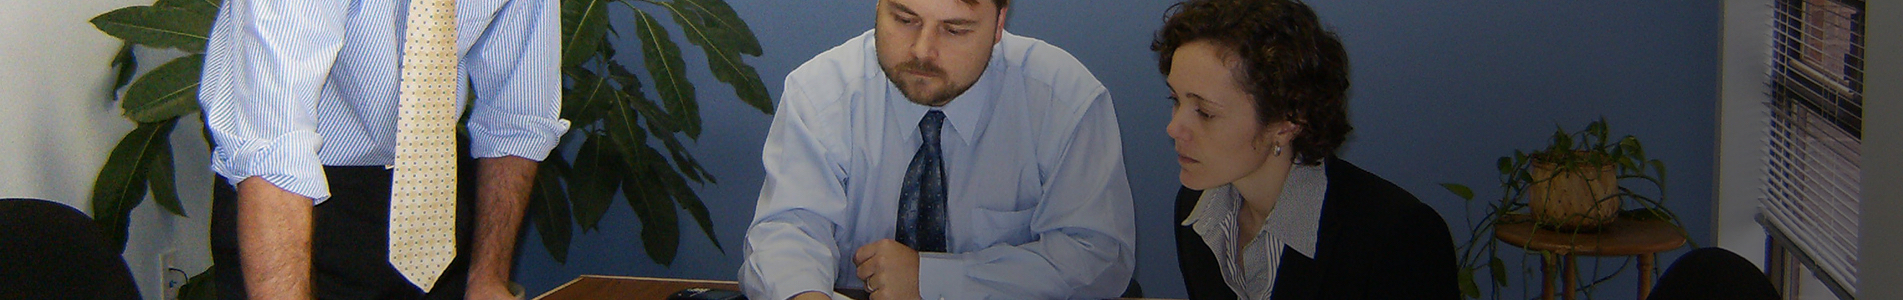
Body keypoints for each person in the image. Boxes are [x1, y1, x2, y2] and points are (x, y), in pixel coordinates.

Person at [737, 0, 1136, 299]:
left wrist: (931, 279)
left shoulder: (1064, 100)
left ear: (999, 24)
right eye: (904, 19)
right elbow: (788, 230)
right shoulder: (820, 93)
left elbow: (1097, 260)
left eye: (955, 29)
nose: (922, 51)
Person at [197, 0, 568, 299]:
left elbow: (518, 117)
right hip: (298, 211)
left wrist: (488, 279)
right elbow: (273, 150)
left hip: (433, 198)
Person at [1153, 0, 1460, 299]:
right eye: (1176, 101)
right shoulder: (1198, 210)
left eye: (1205, 113)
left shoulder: (1398, 236)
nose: (1174, 128)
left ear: (1287, 123)